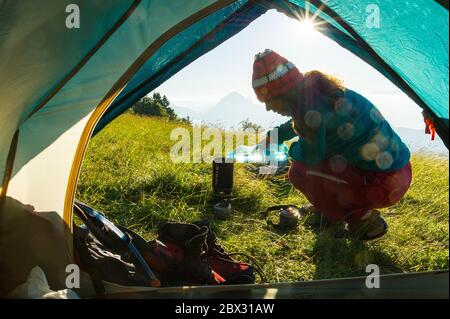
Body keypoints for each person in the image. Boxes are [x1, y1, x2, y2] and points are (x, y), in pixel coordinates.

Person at [252, 49, 412, 240]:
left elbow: (311, 156)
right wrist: (275, 135)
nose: (268, 108)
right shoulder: (315, 93)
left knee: (299, 172)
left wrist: (289, 150)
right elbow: (304, 123)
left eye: (268, 100)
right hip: (397, 172)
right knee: (323, 163)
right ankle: (329, 210)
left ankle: (365, 221)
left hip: (384, 184)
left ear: (284, 94)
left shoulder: (308, 108)